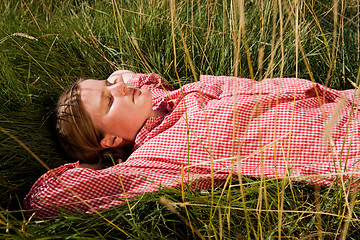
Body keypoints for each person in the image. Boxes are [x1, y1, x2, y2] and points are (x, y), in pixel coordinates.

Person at [24, 70, 360, 218]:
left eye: (110, 84)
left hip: (337, 103)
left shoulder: (165, 100)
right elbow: (47, 199)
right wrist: (95, 161)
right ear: (110, 139)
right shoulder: (155, 158)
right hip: (338, 145)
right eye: (108, 102)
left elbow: (139, 79)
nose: (120, 89)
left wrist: (118, 81)